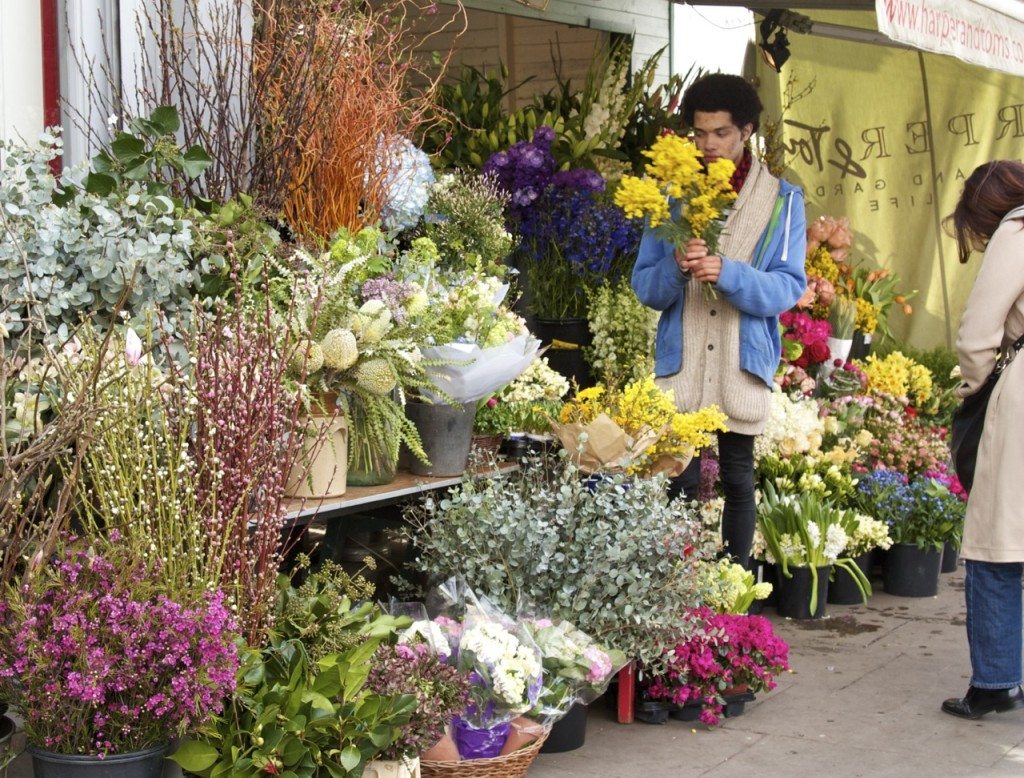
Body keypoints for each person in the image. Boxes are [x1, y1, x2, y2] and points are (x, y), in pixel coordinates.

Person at [631, 73, 806, 569]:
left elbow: (788, 287)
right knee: (677, 478)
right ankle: (675, 589)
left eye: (721, 133)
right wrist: (676, 268)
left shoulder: (782, 201)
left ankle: (736, 590)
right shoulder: (670, 195)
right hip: (683, 360)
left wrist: (730, 274)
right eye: (700, 134)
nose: (708, 145)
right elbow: (645, 286)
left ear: (747, 131)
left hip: (740, 360)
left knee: (737, 477)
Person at [942, 160, 1024, 719]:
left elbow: (978, 332)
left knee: (998, 541)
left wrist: (973, 388)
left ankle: (995, 683)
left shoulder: (1017, 230)